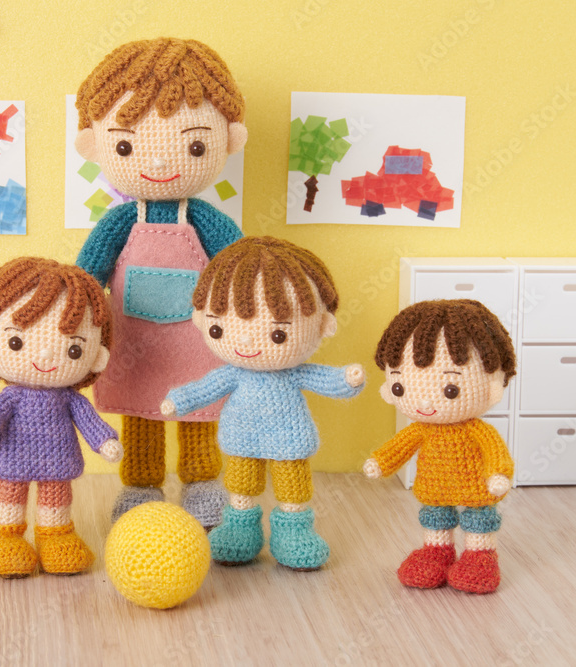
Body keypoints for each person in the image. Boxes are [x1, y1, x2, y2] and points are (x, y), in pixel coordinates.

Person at [73, 38, 248, 527]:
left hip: (198, 343)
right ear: (95, 145)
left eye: (194, 146)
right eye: (126, 146)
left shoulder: (207, 220)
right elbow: (87, 277)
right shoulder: (119, 222)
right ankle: (142, 487)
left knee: (199, 410)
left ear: (230, 139)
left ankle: (201, 483)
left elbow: (239, 269)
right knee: (141, 412)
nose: (159, 163)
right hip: (136, 345)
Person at [162, 237, 365, 570]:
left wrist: (347, 380)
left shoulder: (293, 372)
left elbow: (326, 380)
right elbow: (205, 388)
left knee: (293, 489)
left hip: (289, 440)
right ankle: (239, 529)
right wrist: (179, 400)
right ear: (201, 319)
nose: (245, 342)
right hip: (243, 439)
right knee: (240, 486)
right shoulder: (233, 373)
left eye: (277, 335)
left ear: (322, 325)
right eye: (220, 327)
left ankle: (293, 533)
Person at [0, 257, 122, 578]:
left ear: (97, 356)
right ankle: (6, 538)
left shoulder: (69, 398)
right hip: (13, 457)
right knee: (10, 497)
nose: (46, 357)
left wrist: (105, 441)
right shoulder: (13, 396)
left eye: (74, 350)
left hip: (56, 462)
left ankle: (56, 537)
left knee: (56, 501)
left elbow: (89, 422)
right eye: (16, 342)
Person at [363, 299, 516, 594]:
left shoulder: (478, 430)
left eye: (450, 389)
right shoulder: (421, 429)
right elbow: (399, 447)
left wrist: (499, 474)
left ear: (493, 385)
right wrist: (381, 462)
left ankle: (480, 556)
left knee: (479, 520)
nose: (424, 402)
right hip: (435, 488)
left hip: (476, 488)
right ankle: (436, 552)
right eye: (400, 387)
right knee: (435, 518)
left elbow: (496, 453)